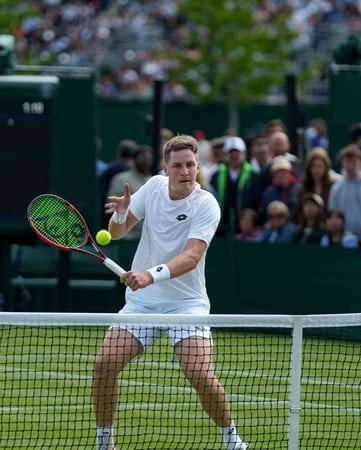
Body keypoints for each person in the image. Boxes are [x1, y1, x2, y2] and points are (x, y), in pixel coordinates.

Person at [93, 135, 248, 450]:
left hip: (186, 304)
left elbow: (192, 257)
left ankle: (232, 440)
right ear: (166, 168)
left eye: (190, 165)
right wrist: (120, 215)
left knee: (199, 375)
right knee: (105, 363)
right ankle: (104, 441)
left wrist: (150, 275)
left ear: (197, 166)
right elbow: (117, 231)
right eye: (177, 166)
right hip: (143, 305)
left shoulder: (206, 204)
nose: (185, 172)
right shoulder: (151, 188)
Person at [107, 145, 153, 240]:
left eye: (149, 158)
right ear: (133, 160)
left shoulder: (154, 181)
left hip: (150, 235)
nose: (146, 161)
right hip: (128, 236)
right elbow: (112, 204)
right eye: (142, 158)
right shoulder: (121, 179)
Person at [209, 136, 253, 236]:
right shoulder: (216, 174)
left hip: (244, 229)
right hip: (219, 227)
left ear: (244, 153)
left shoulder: (252, 174)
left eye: (237, 153)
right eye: (231, 153)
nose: (234, 156)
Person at [328, 144, 361, 242]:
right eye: (348, 162)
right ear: (342, 163)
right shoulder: (337, 187)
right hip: (344, 239)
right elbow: (333, 213)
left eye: (354, 161)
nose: (351, 165)